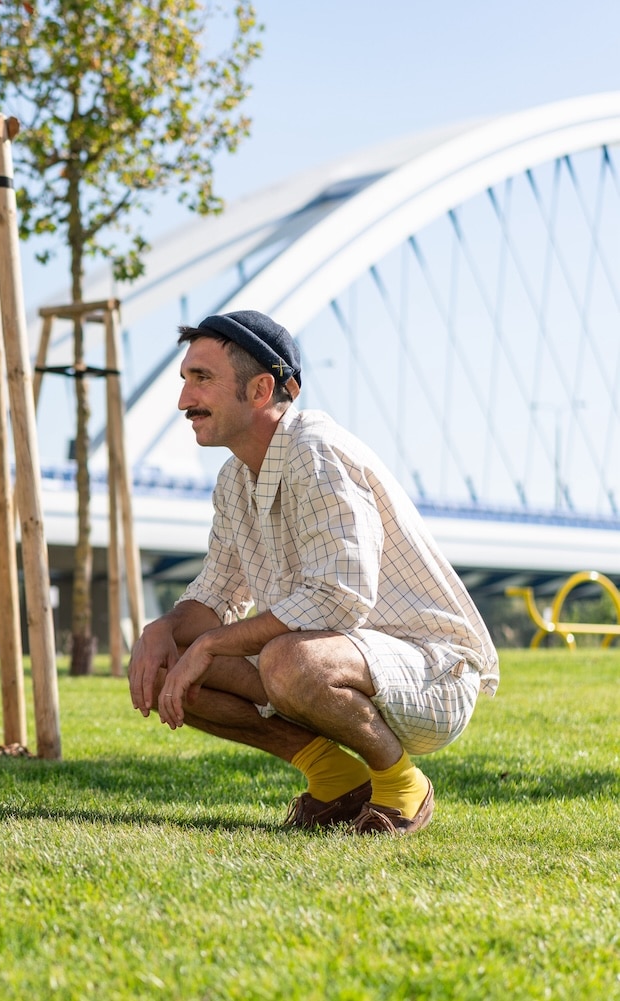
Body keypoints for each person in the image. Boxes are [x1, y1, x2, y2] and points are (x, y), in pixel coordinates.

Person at [127, 309, 498, 835]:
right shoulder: (235, 479)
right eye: (185, 379)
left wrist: (212, 644)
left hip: (433, 675)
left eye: (202, 379)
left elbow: (339, 597)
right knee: (169, 660)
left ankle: (402, 785)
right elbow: (214, 595)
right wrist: (163, 630)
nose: (184, 400)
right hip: (342, 661)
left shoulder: (317, 452)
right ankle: (336, 778)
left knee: (287, 660)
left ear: (260, 390)